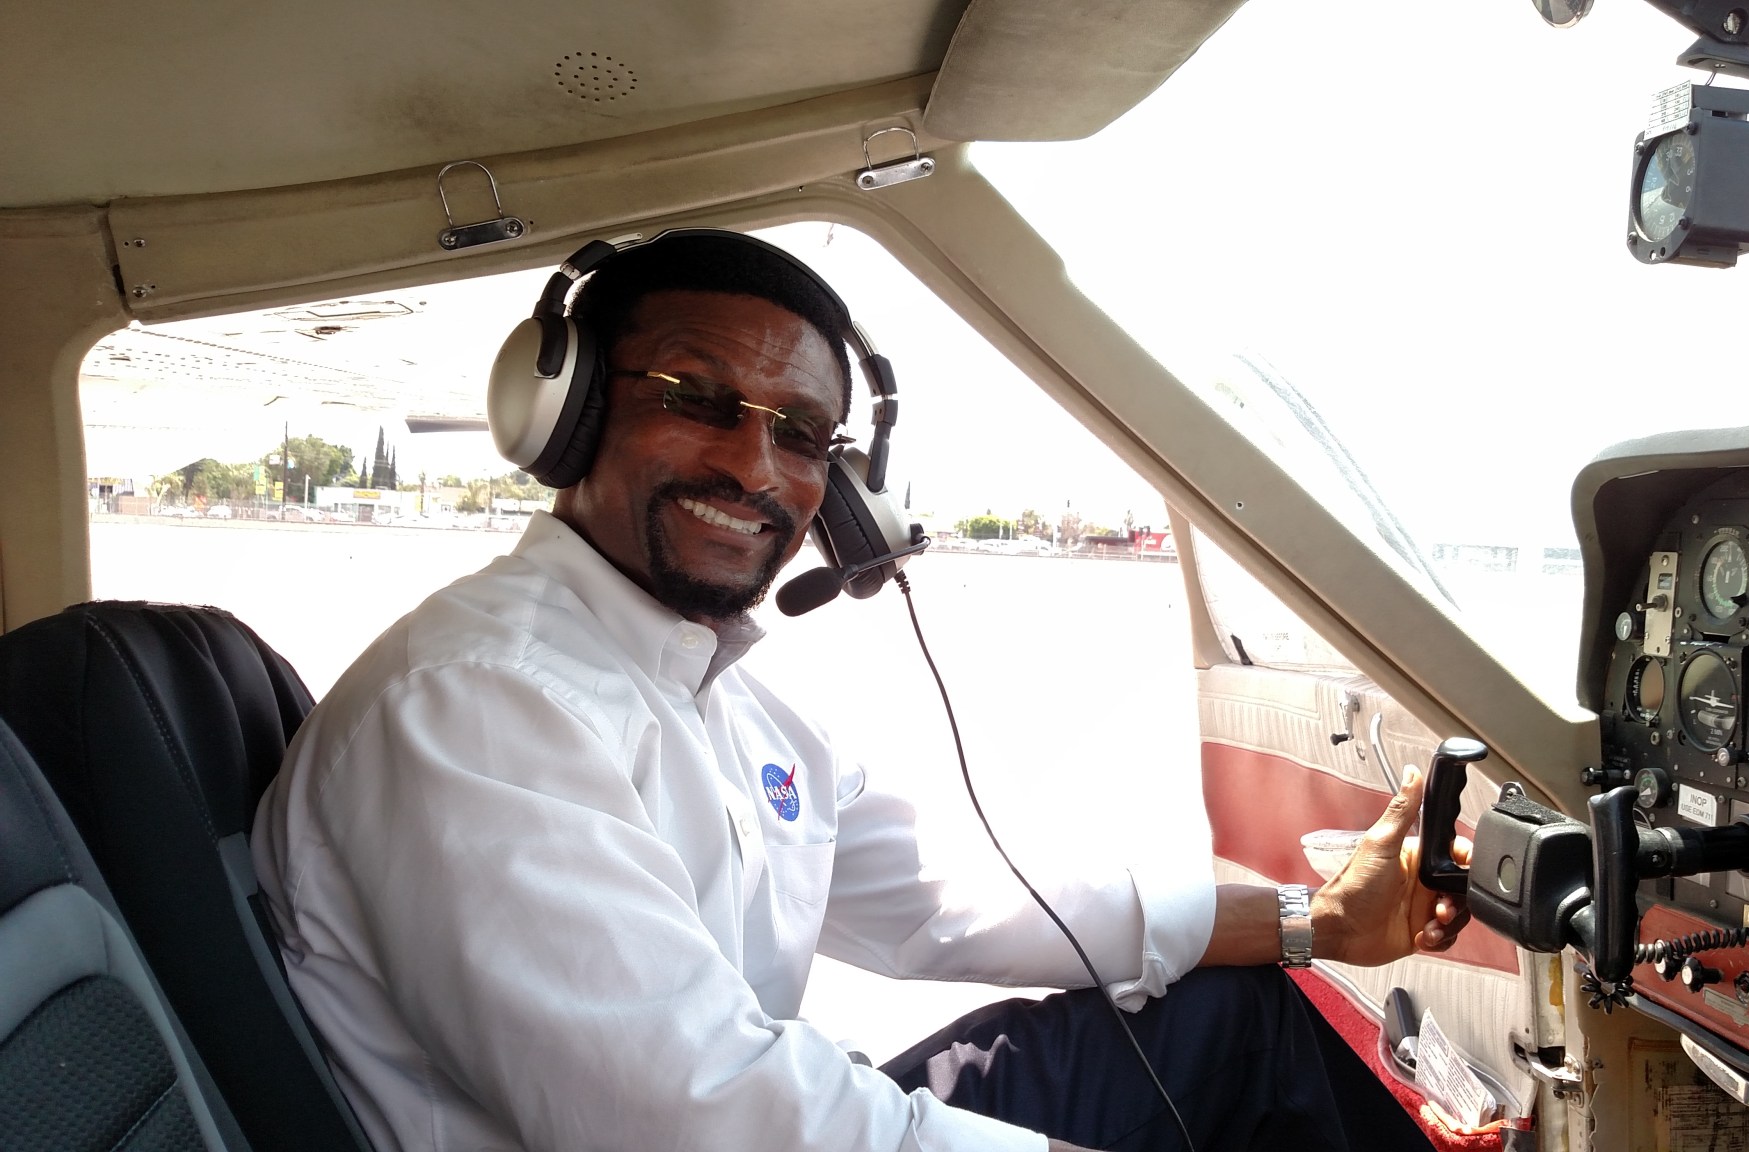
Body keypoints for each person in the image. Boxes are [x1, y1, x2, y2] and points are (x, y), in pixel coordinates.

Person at [254, 231, 1470, 1152]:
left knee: (1237, 1025)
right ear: (566, 418)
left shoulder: (723, 692)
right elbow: (710, 1119)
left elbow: (956, 903)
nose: (750, 463)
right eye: (692, 398)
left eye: (800, 434)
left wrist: (1311, 923)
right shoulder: (478, 706)